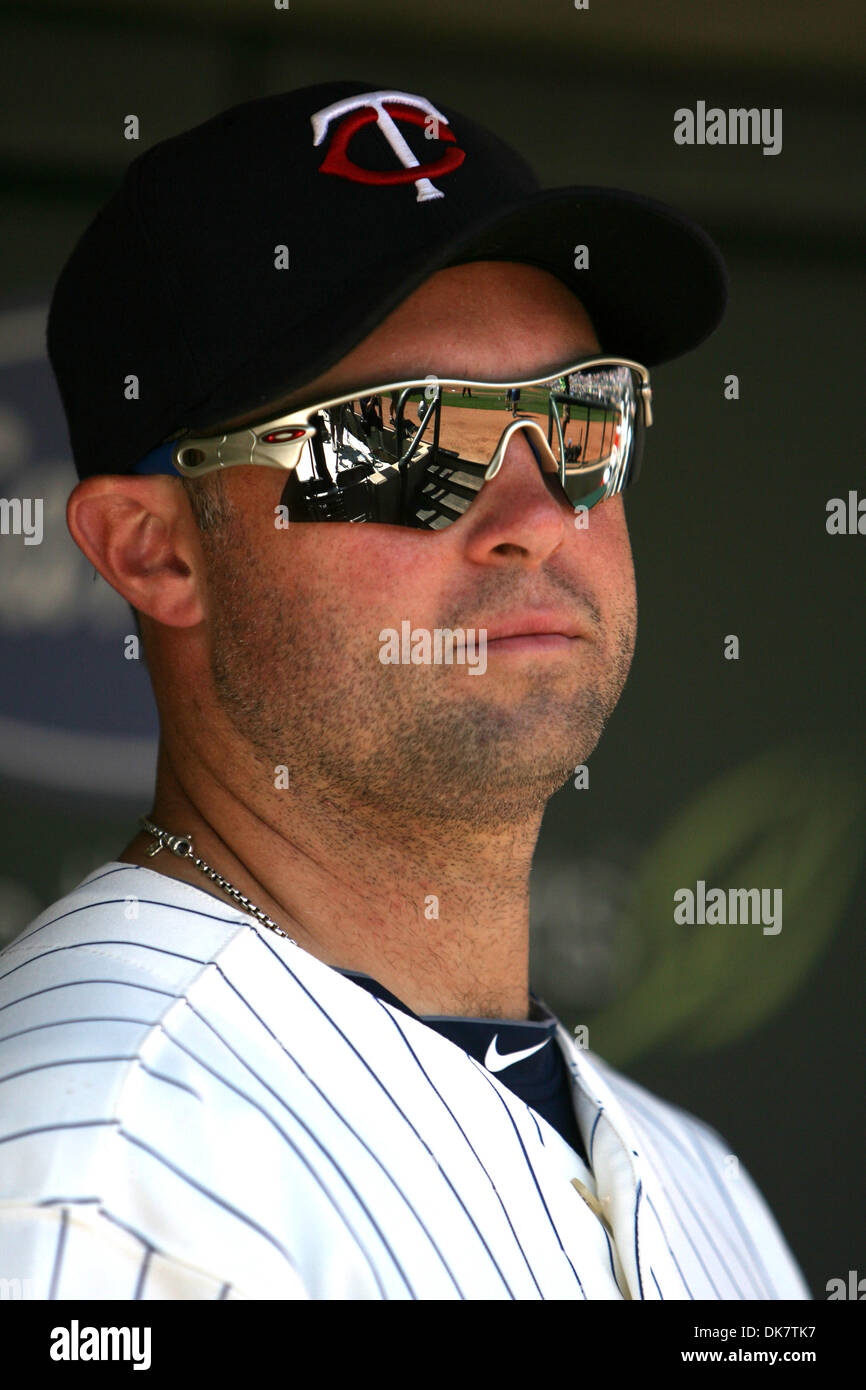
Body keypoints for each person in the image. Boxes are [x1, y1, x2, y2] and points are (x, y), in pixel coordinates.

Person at [0, 81, 809, 1300]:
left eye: (577, 414)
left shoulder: (700, 1183)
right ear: (156, 550)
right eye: (395, 436)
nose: (535, 517)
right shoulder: (89, 1177)